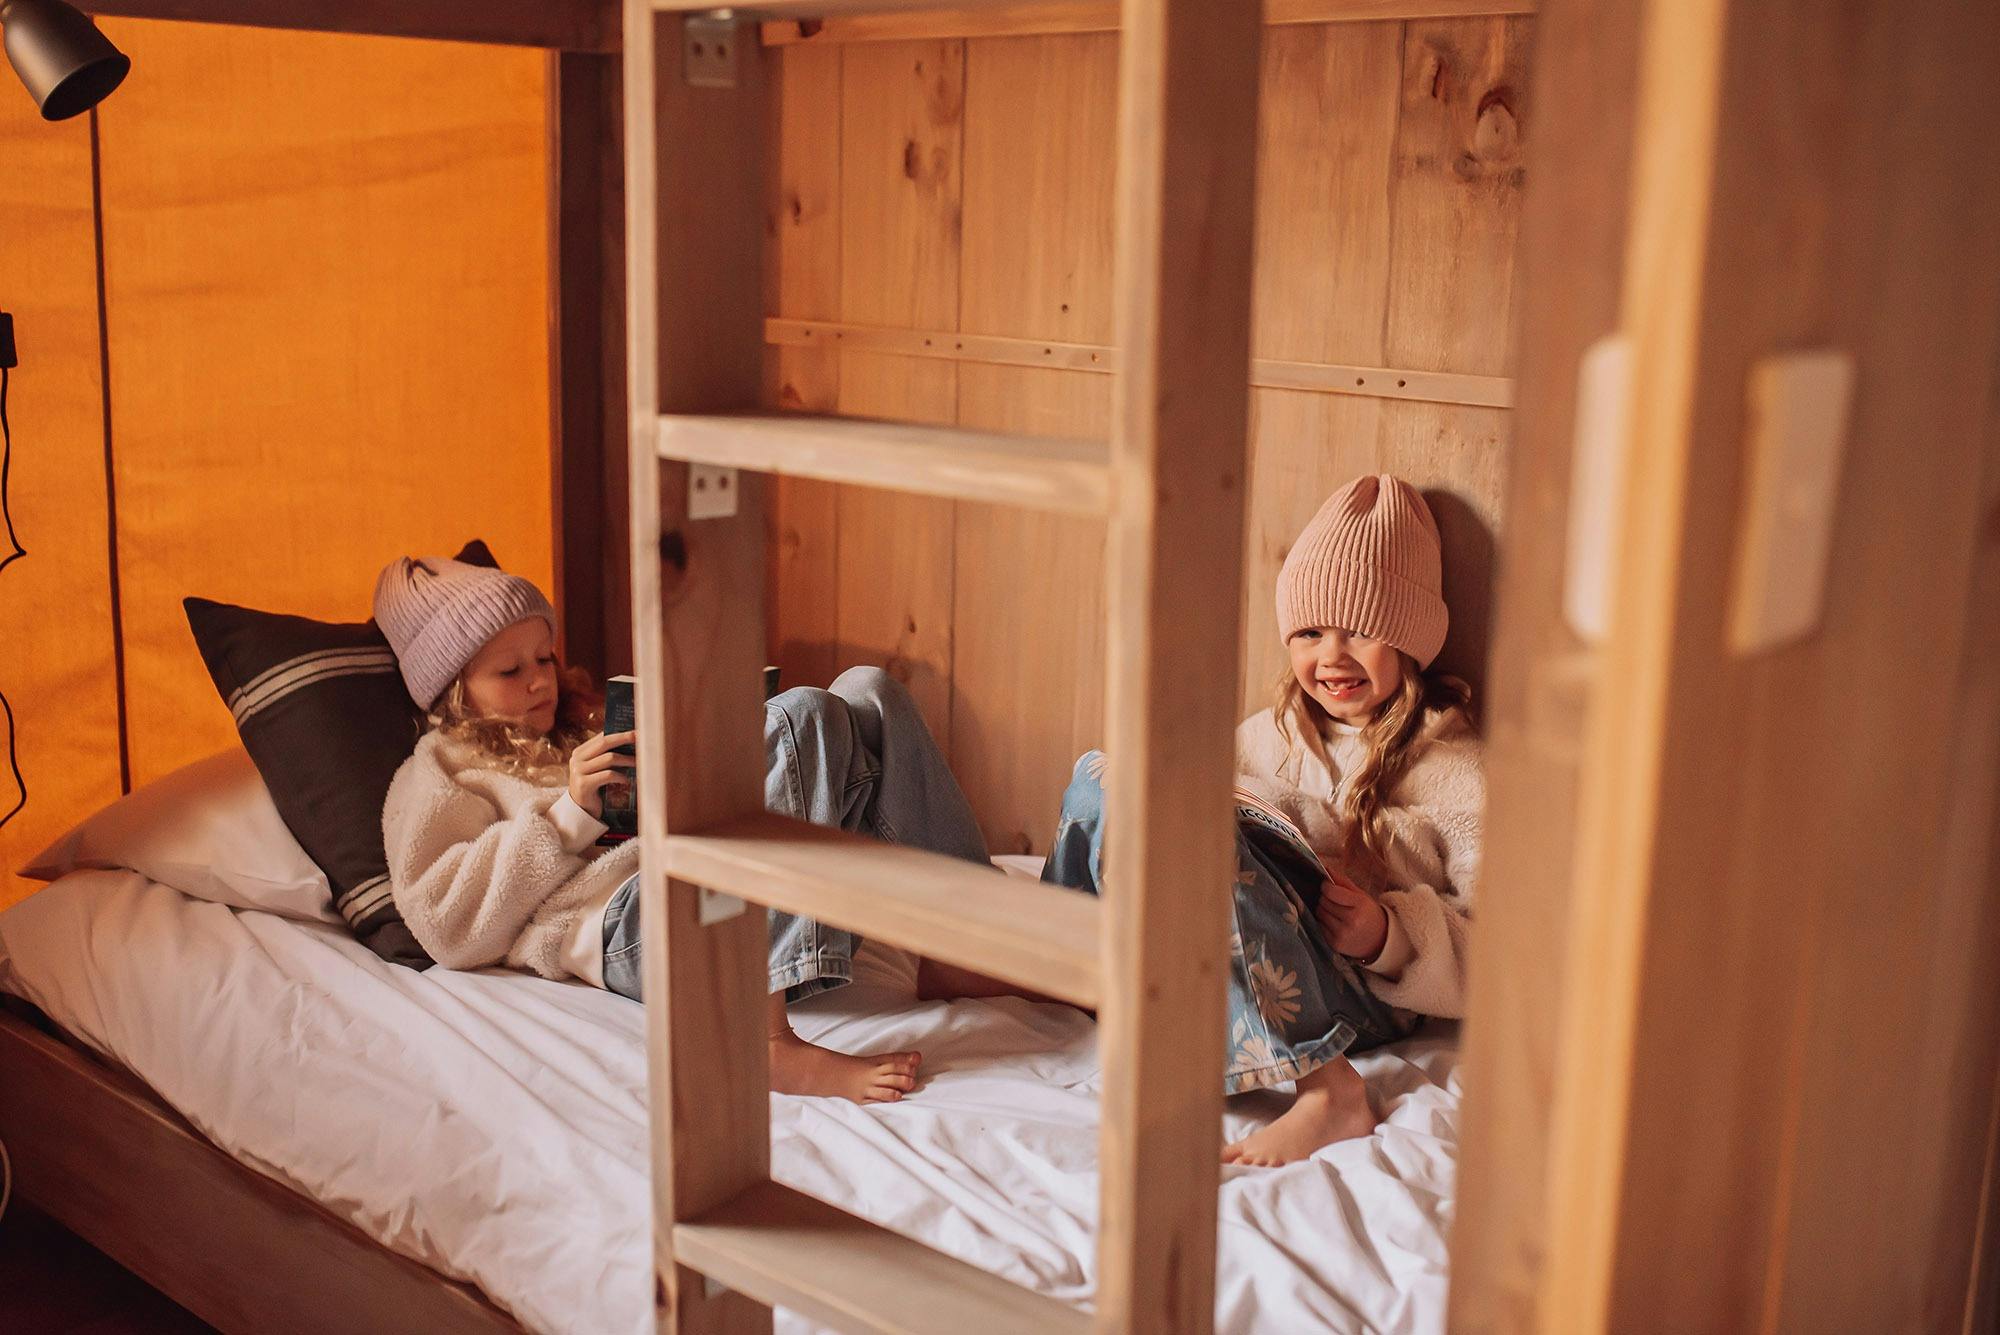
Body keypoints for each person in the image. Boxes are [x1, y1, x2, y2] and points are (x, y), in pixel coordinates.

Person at [372, 555, 999, 1104]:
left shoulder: (584, 728)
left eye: (544, 657)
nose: (539, 679)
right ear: (451, 690)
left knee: (869, 691)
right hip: (632, 929)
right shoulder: (439, 768)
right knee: (799, 717)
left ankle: (962, 946)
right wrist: (570, 814)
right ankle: (763, 1039)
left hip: (700, 886)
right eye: (509, 673)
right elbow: (444, 923)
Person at [1039, 474, 1484, 1165]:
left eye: (1360, 631)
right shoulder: (1265, 735)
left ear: (1409, 640)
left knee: (1215, 831)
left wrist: (1389, 934)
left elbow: (1506, 947)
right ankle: (1060, 953)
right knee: (1110, 773)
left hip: (1358, 987)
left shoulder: (1455, 766)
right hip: (1245, 957)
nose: (1330, 655)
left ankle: (1329, 1090)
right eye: (1309, 632)